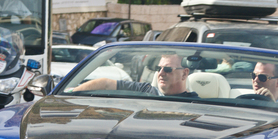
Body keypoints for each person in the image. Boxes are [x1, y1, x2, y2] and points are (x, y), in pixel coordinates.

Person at [69, 55, 197, 97]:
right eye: (159, 68)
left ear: (184, 73)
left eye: (168, 69)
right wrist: (70, 93)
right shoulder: (145, 91)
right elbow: (106, 84)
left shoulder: (196, 104)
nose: (161, 73)